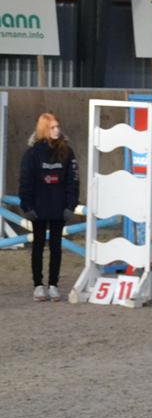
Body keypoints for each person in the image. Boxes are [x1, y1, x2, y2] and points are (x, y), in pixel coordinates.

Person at [19, 112, 80, 302]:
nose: (57, 130)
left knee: (56, 246)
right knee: (37, 246)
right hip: (38, 207)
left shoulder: (67, 152)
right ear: (44, 129)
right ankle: (38, 285)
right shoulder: (32, 154)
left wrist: (71, 205)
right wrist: (26, 205)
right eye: (52, 127)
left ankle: (53, 285)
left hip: (58, 207)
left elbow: (73, 180)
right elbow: (25, 181)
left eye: (58, 126)